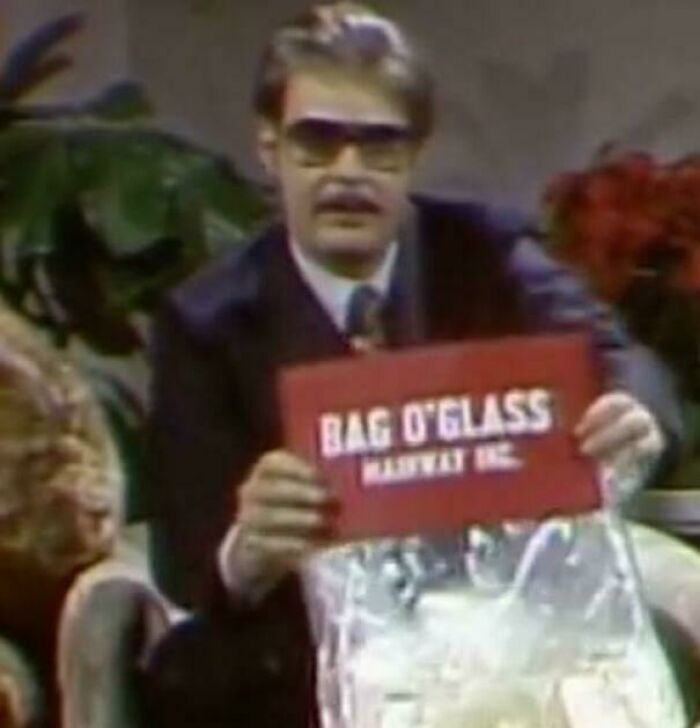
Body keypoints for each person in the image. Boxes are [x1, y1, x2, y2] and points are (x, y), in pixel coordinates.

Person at [144, 3, 684, 727]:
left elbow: (630, 364)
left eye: (379, 147)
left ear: (414, 155)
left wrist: (635, 412)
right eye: (317, 143)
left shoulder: (487, 255)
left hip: (496, 642)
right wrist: (248, 551)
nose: (348, 174)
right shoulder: (205, 322)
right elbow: (190, 566)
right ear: (269, 149)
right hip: (303, 660)